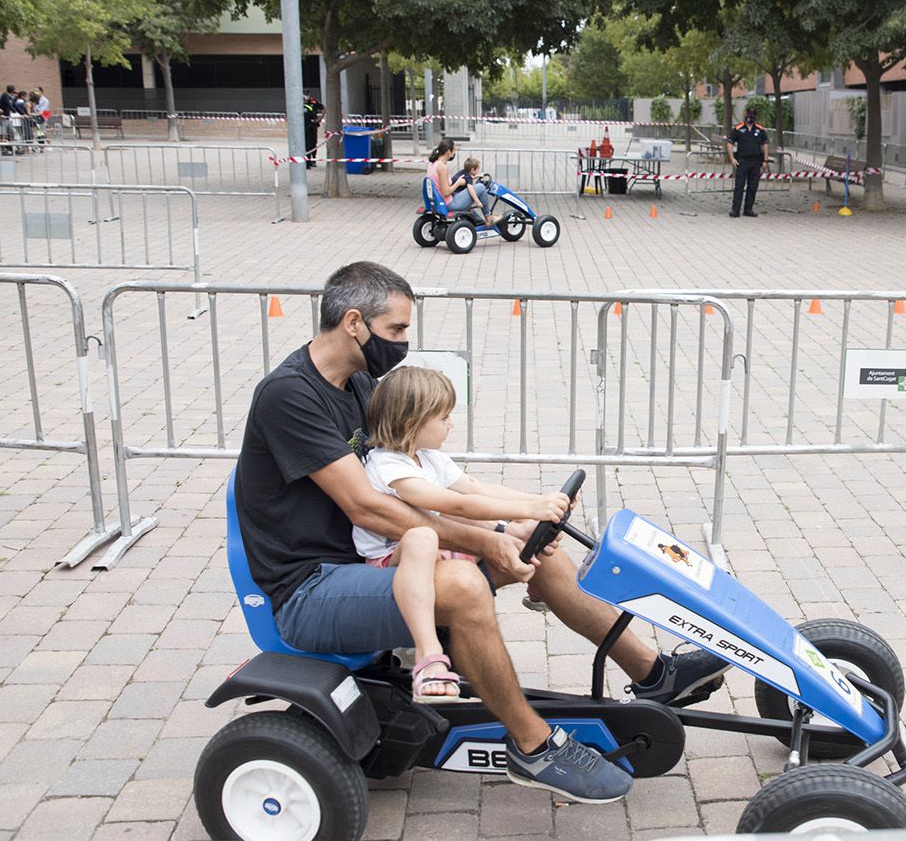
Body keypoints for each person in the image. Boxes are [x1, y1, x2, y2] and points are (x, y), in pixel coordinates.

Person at [236, 262, 730, 804]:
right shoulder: (290, 395)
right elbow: (369, 508)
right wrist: (487, 537)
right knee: (464, 585)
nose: (403, 342)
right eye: (396, 330)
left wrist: (513, 525)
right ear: (354, 323)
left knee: (540, 552)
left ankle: (654, 672)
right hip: (309, 587)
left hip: (373, 562)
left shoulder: (355, 384)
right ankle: (533, 745)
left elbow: (430, 486)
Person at [355, 366, 570, 700]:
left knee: (505, 533)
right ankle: (427, 657)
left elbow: (475, 488)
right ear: (413, 423)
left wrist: (540, 502)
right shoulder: (389, 466)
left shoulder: (428, 457)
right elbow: (455, 505)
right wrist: (529, 510)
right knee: (424, 535)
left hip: (439, 551)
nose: (450, 424)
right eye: (444, 417)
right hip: (392, 560)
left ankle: (533, 577)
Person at [725, 103, 770, 219]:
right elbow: (730, 144)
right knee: (739, 186)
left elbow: (765, 145)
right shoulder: (738, 128)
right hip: (742, 161)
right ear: (745, 115)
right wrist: (732, 158)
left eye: (753, 114)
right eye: (749, 114)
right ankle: (735, 210)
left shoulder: (760, 130)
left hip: (756, 162)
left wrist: (765, 160)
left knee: (752, 187)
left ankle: (748, 209)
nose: (751, 116)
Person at [449, 156, 499, 224]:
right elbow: (470, 189)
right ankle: (488, 217)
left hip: (452, 196)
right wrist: (478, 202)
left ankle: (478, 221)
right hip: (455, 198)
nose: (478, 170)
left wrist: (478, 175)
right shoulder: (468, 177)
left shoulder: (462, 172)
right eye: (478, 169)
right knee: (481, 188)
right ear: (472, 169)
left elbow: (468, 177)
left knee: (469, 206)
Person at [303, 90, 324, 168]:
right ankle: (307, 161)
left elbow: (322, 107)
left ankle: (313, 160)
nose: (306, 96)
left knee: (313, 144)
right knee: (306, 145)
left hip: (313, 126)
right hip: (305, 127)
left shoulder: (314, 102)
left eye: (307, 94)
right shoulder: (300, 103)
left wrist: (321, 116)